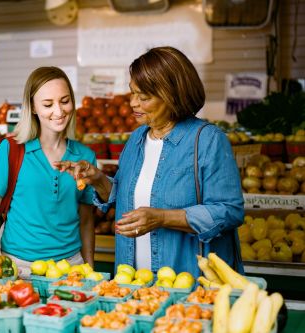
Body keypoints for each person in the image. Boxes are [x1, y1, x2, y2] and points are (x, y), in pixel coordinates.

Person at [55, 46, 244, 278]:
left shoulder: (207, 140)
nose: (133, 103)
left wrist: (162, 218)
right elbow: (126, 196)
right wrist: (97, 179)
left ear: (172, 96)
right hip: (132, 280)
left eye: (143, 97)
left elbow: (229, 210)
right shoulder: (137, 139)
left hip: (186, 282)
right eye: (132, 93)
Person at [0, 66, 96, 278]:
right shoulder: (12, 149)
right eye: (48, 104)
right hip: (18, 267)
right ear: (32, 107)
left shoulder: (85, 157)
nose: (59, 111)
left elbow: (87, 220)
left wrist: (89, 267)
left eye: (64, 100)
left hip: (71, 268)